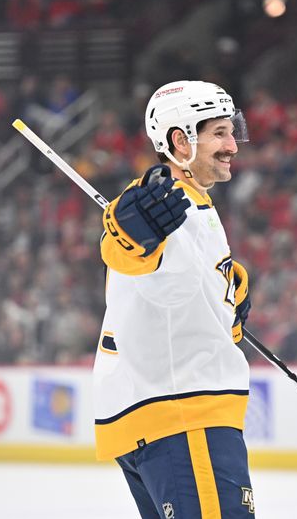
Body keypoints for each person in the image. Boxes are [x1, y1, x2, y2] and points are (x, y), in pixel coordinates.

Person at [94, 80, 256, 518]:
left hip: (167, 416)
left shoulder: (197, 203)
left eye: (231, 130)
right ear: (180, 139)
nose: (232, 146)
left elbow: (171, 290)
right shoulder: (155, 204)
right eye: (219, 133)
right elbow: (124, 249)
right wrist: (124, 233)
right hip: (184, 414)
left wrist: (228, 298)